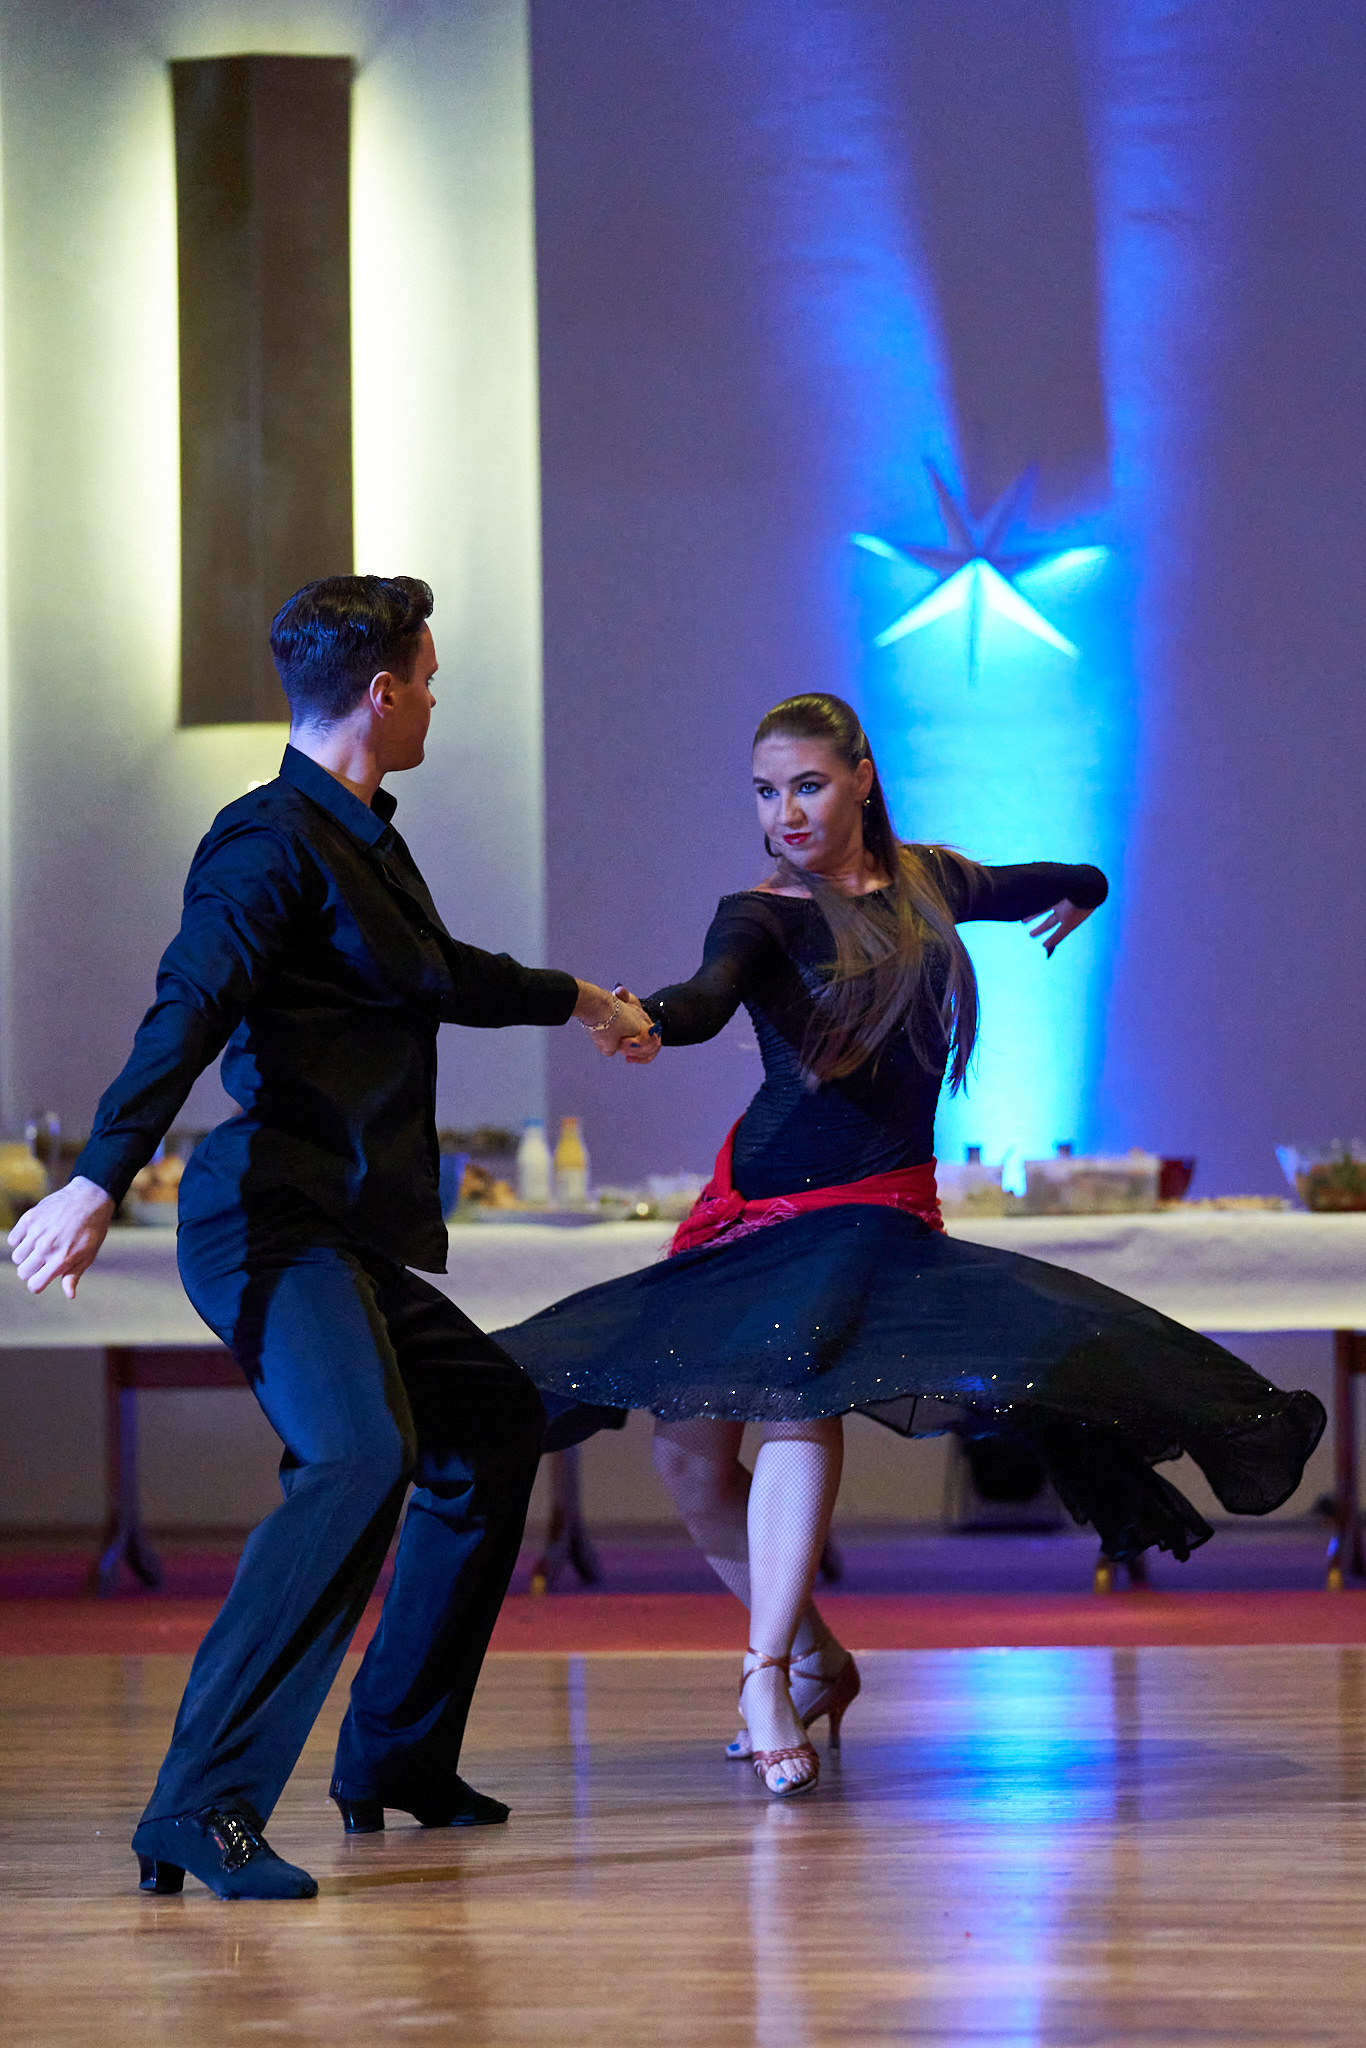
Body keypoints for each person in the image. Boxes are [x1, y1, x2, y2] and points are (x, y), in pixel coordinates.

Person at [498, 691, 1325, 1799]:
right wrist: (644, 1016)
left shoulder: (933, 883)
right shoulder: (759, 913)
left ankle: (760, 1676)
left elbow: (1063, 875)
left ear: (862, 778)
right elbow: (702, 998)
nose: (784, 813)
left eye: (807, 785)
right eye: (764, 792)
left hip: (871, 1213)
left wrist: (1084, 891)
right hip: (756, 1207)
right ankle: (814, 1660)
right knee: (687, 1460)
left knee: (797, 1399)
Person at [8, 575, 652, 1899]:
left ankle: (397, 1757)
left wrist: (580, 996)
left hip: (341, 1229)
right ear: (383, 691)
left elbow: (436, 972)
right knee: (359, 1454)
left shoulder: (364, 841)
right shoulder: (265, 844)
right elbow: (188, 1004)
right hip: (263, 1221)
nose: (436, 699)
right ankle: (198, 1806)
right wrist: (98, 1177)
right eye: (430, 679)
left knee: (490, 1421)